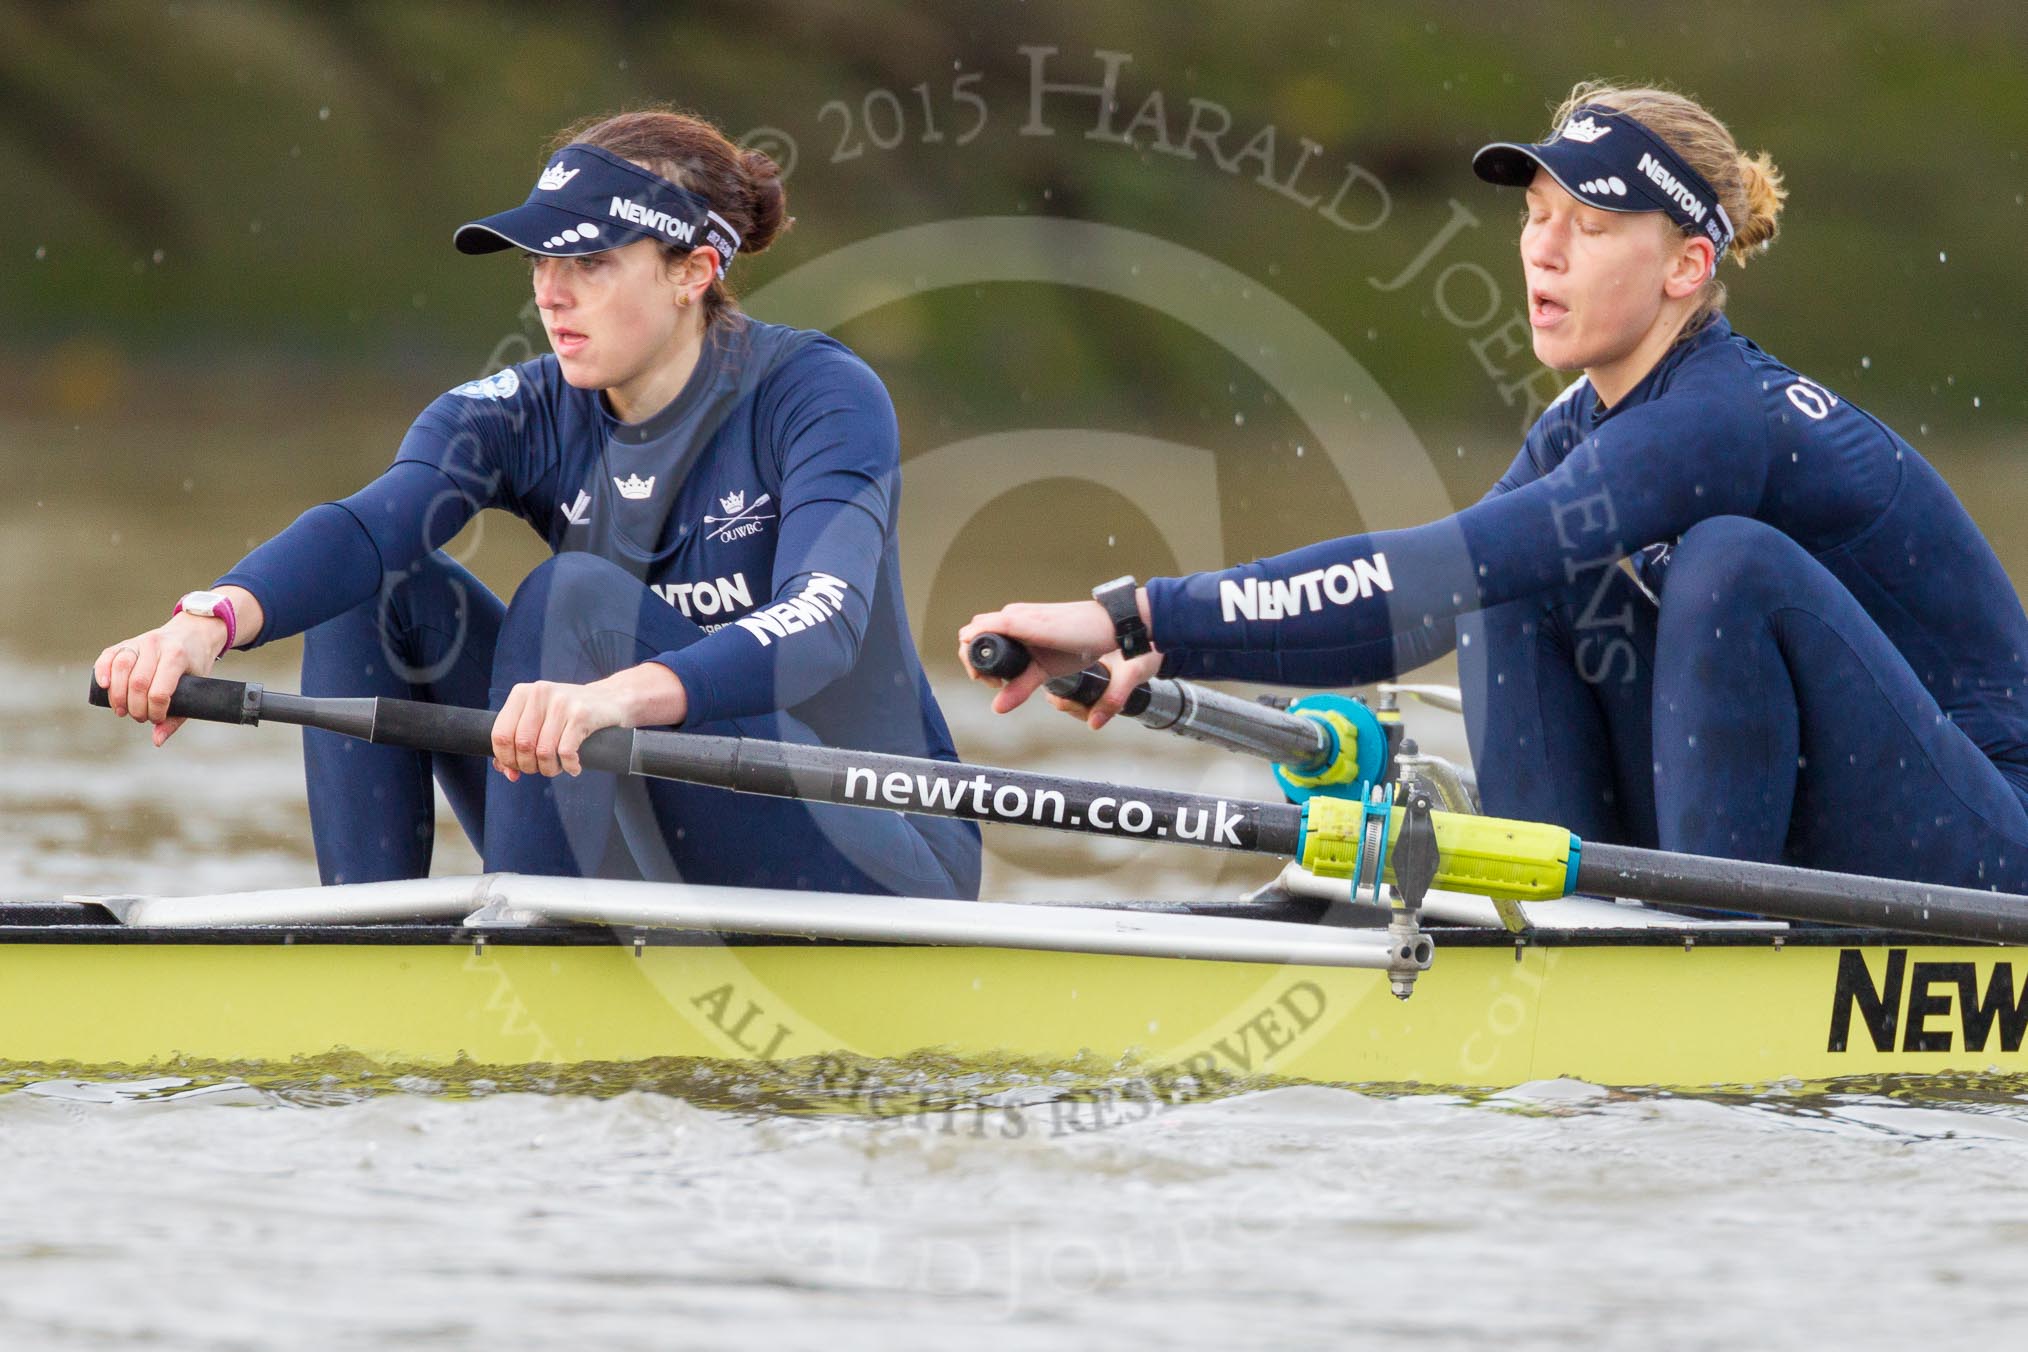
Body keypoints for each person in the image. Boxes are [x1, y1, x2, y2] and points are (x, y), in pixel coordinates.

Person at [960, 80, 2028, 893]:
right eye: (1535, 215)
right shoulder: (1577, 430)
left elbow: (1429, 570)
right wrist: (1166, 644)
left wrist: (1137, 608)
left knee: (1726, 563)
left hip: (1984, 841)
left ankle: (1702, 945)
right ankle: (1565, 928)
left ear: (1687, 268)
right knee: (1511, 575)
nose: (1543, 252)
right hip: (1823, 814)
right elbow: (1423, 596)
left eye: (1590, 227)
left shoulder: (1721, 416)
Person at [94, 107, 980, 900]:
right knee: (376, 587)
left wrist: (619, 698)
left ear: (694, 270)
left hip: (876, 841)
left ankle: (522, 952)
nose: (552, 293)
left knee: (573, 600)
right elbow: (368, 529)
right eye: (542, 261)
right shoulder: (514, 414)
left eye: (591, 262)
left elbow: (824, 621)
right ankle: (364, 942)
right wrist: (207, 622)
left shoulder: (818, 395)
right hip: (638, 809)